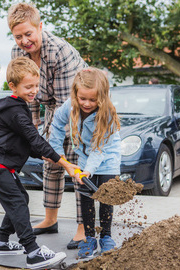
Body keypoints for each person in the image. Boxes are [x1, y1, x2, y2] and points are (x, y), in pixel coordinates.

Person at [0, 57, 79, 269]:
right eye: (28, 86)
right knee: (18, 203)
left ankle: (2, 242)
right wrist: (65, 163)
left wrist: (44, 154)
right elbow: (34, 138)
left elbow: (25, 142)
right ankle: (32, 252)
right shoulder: (15, 110)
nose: (34, 91)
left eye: (36, 85)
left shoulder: (15, 106)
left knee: (20, 198)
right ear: (13, 86)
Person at [7, 2, 88, 248]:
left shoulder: (59, 52)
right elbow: (26, 95)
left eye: (28, 34)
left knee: (74, 163)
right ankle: (50, 219)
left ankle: (84, 226)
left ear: (40, 26)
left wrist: (51, 145)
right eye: (18, 36)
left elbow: (67, 106)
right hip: (55, 108)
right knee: (50, 164)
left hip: (81, 109)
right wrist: (33, 132)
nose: (24, 41)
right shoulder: (17, 54)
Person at [48, 67, 121, 258]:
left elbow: (99, 150)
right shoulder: (70, 106)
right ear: (75, 94)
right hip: (84, 157)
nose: (86, 103)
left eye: (92, 99)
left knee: (106, 197)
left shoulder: (107, 115)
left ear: (102, 97)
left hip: (107, 157)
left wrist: (87, 171)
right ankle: (89, 238)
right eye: (82, 99)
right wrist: (58, 154)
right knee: (86, 199)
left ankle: (106, 236)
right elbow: (56, 125)